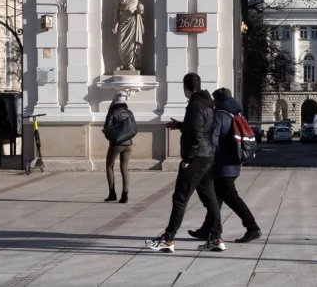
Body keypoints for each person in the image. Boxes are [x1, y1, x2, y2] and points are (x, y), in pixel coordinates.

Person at [145, 73, 224, 254]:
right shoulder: (207, 103)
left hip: (195, 159)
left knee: (180, 199)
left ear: (185, 88)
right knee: (211, 201)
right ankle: (217, 239)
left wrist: (188, 159)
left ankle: (168, 239)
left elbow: (197, 134)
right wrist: (180, 125)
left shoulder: (195, 105)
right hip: (207, 157)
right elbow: (203, 128)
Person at [188, 87, 261, 244]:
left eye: (214, 100)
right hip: (233, 163)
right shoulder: (236, 114)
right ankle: (207, 229)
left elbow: (213, 139)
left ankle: (252, 228)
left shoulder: (219, 115)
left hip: (222, 164)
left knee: (230, 197)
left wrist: (206, 156)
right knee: (217, 198)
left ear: (218, 100)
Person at [103, 91, 137, 203]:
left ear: (114, 101)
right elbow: (134, 128)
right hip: (128, 144)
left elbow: (107, 128)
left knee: (109, 166)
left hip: (116, 144)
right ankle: (125, 194)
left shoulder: (112, 112)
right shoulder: (130, 113)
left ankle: (112, 193)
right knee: (124, 168)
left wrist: (112, 139)